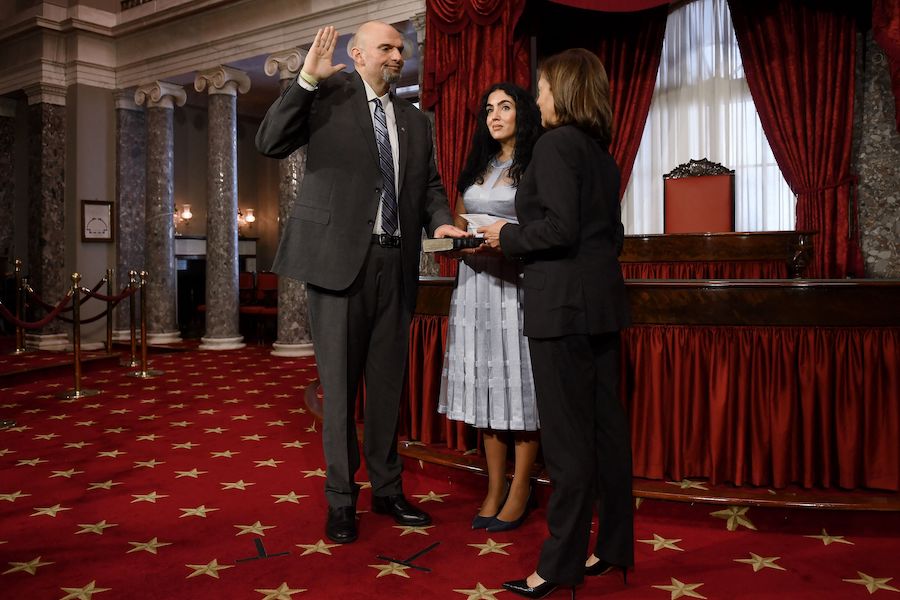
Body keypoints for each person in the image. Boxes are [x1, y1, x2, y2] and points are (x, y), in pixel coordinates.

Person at [256, 22, 468, 545]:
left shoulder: (416, 121)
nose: (399, 54)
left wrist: (440, 219)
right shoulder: (327, 95)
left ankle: (388, 489)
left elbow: (431, 186)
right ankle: (341, 499)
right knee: (340, 390)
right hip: (336, 266)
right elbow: (269, 141)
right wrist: (304, 79)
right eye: (388, 47)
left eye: (402, 48)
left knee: (387, 389)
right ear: (357, 54)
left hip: (396, 266)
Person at [479, 49, 634, 599]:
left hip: (560, 309)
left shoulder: (554, 144)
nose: (536, 98)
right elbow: (609, 238)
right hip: (601, 307)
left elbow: (558, 230)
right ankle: (613, 548)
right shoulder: (601, 153)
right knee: (607, 438)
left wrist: (506, 237)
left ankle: (558, 566)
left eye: (542, 89)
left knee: (568, 447)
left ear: (563, 92)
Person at [438, 83, 544, 533]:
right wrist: (454, 239)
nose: (495, 115)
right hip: (474, 286)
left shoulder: (537, 164)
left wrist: (508, 241)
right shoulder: (478, 165)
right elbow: (462, 224)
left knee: (517, 386)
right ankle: (494, 486)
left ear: (523, 113)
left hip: (515, 285)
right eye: (489, 109)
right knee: (485, 382)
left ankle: (522, 488)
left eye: (505, 107)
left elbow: (542, 229)